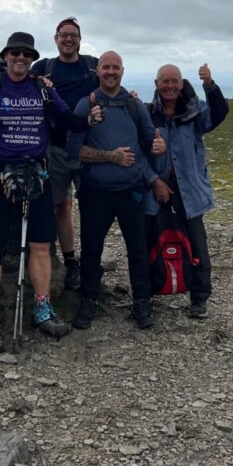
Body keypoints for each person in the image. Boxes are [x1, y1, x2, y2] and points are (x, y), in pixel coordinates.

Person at [0, 31, 102, 353]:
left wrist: (89, 120)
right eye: (16, 53)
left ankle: (43, 309)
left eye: (27, 54)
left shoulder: (41, 88)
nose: (21, 58)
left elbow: (66, 119)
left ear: (32, 59)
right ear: (6, 56)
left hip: (37, 175)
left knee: (40, 245)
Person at [65, 51, 167, 330]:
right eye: (106, 67)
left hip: (131, 191)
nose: (110, 72)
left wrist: (160, 147)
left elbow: (150, 143)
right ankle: (89, 301)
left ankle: (142, 302)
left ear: (122, 71)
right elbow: (72, 151)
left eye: (115, 67)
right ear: (98, 71)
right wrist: (110, 157)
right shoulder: (86, 105)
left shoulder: (134, 104)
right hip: (94, 192)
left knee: (138, 249)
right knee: (91, 250)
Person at [144, 62, 229, 319]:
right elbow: (139, 152)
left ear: (181, 85)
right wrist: (154, 180)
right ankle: (146, 294)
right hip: (156, 187)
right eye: (165, 81)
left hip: (188, 188)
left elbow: (219, 113)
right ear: (157, 84)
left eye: (174, 81)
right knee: (149, 240)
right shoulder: (147, 114)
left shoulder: (195, 112)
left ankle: (199, 297)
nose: (170, 86)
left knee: (197, 242)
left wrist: (209, 85)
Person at [30, 17, 99, 291]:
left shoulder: (92, 66)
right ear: (56, 39)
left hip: (87, 149)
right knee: (59, 206)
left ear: (80, 40)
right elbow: (20, 83)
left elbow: (110, 87)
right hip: (55, 148)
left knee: (92, 210)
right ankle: (68, 261)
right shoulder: (43, 68)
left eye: (73, 35)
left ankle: (90, 265)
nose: (68, 39)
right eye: (64, 35)